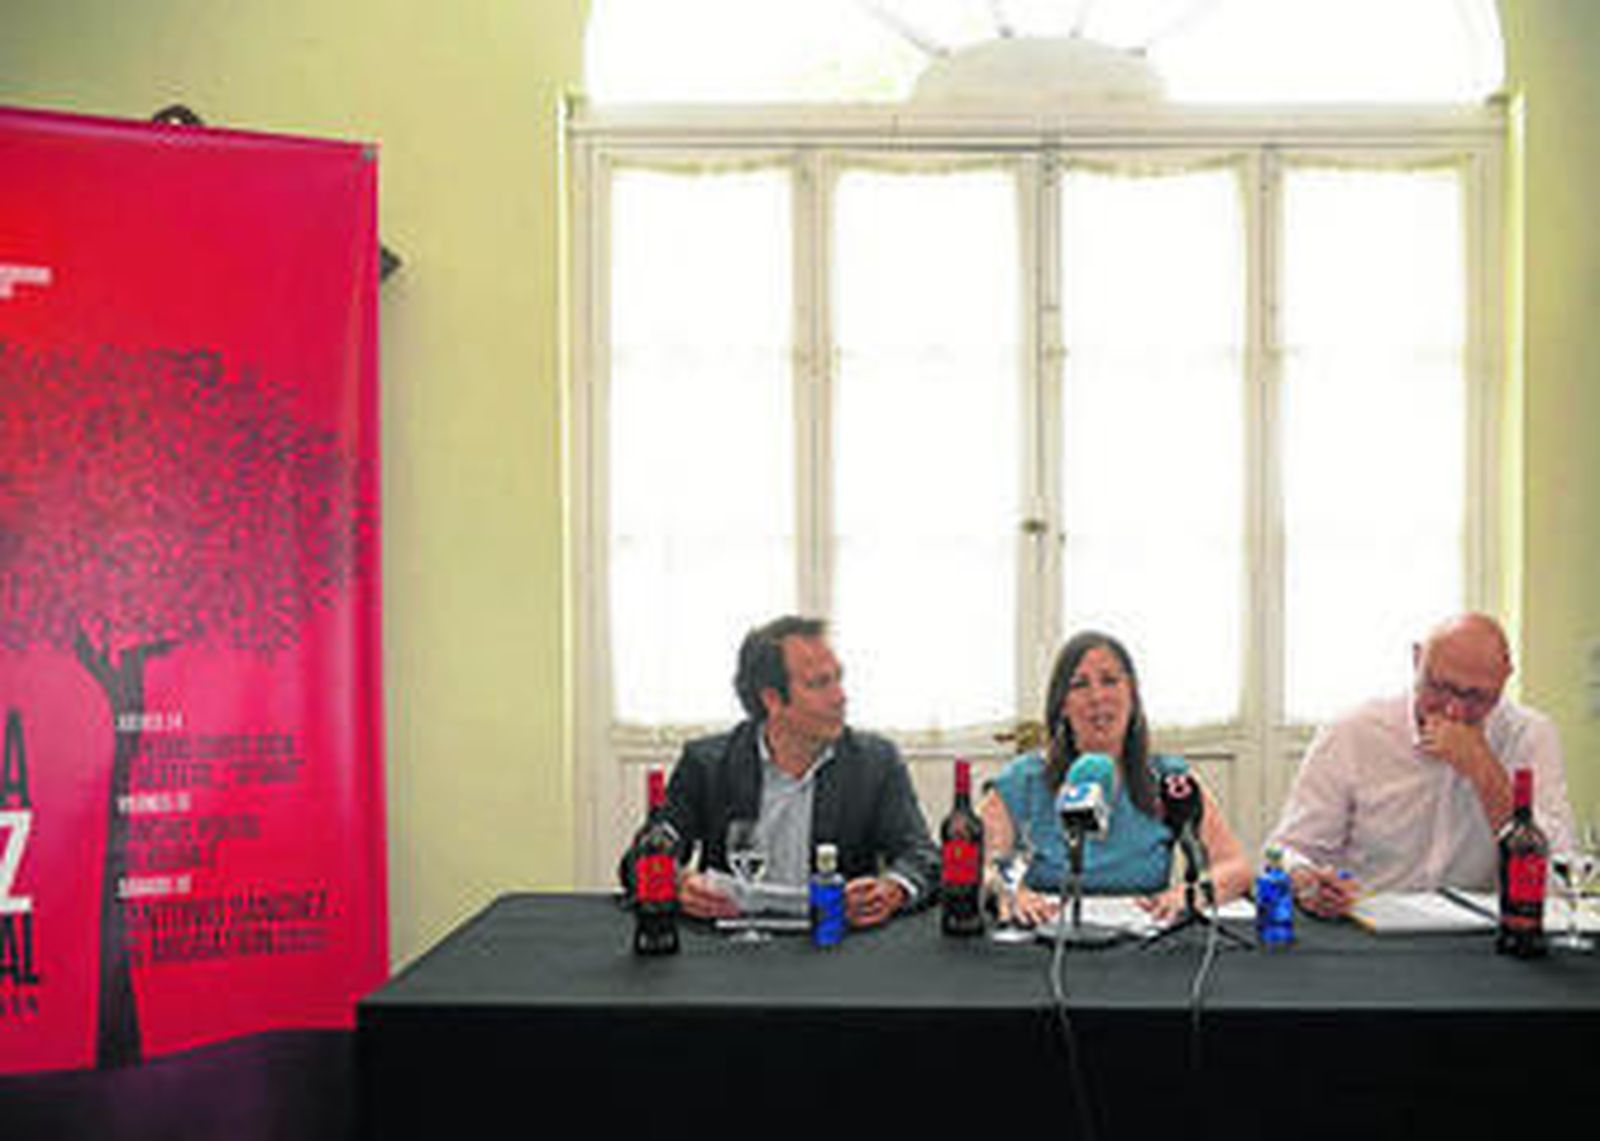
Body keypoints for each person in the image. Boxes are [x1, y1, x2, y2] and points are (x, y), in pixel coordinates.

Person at [621, 615, 939, 928]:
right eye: (819, 684)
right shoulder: (707, 763)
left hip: (835, 945)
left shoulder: (875, 762)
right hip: (731, 948)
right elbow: (639, 860)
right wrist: (676, 883)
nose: (840, 697)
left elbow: (922, 856)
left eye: (838, 678)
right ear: (772, 699)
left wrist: (894, 888)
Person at [1266, 612, 1576, 918]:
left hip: (1481, 936)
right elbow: (1288, 850)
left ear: (1505, 678)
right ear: (1417, 661)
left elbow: (1559, 880)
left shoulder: (1530, 735)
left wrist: (1485, 771)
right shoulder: (1353, 732)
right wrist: (1305, 881)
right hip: (1366, 927)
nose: (1454, 710)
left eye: (1476, 696)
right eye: (1439, 687)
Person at [978, 630, 1252, 926]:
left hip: (1145, 949)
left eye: (1109, 681)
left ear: (1132, 694)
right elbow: (976, 863)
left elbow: (1235, 867)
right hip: (1046, 945)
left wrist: (1191, 894)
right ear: (1062, 706)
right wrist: (1008, 891)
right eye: (1079, 685)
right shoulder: (1026, 778)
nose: (1097, 697)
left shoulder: (1170, 780)